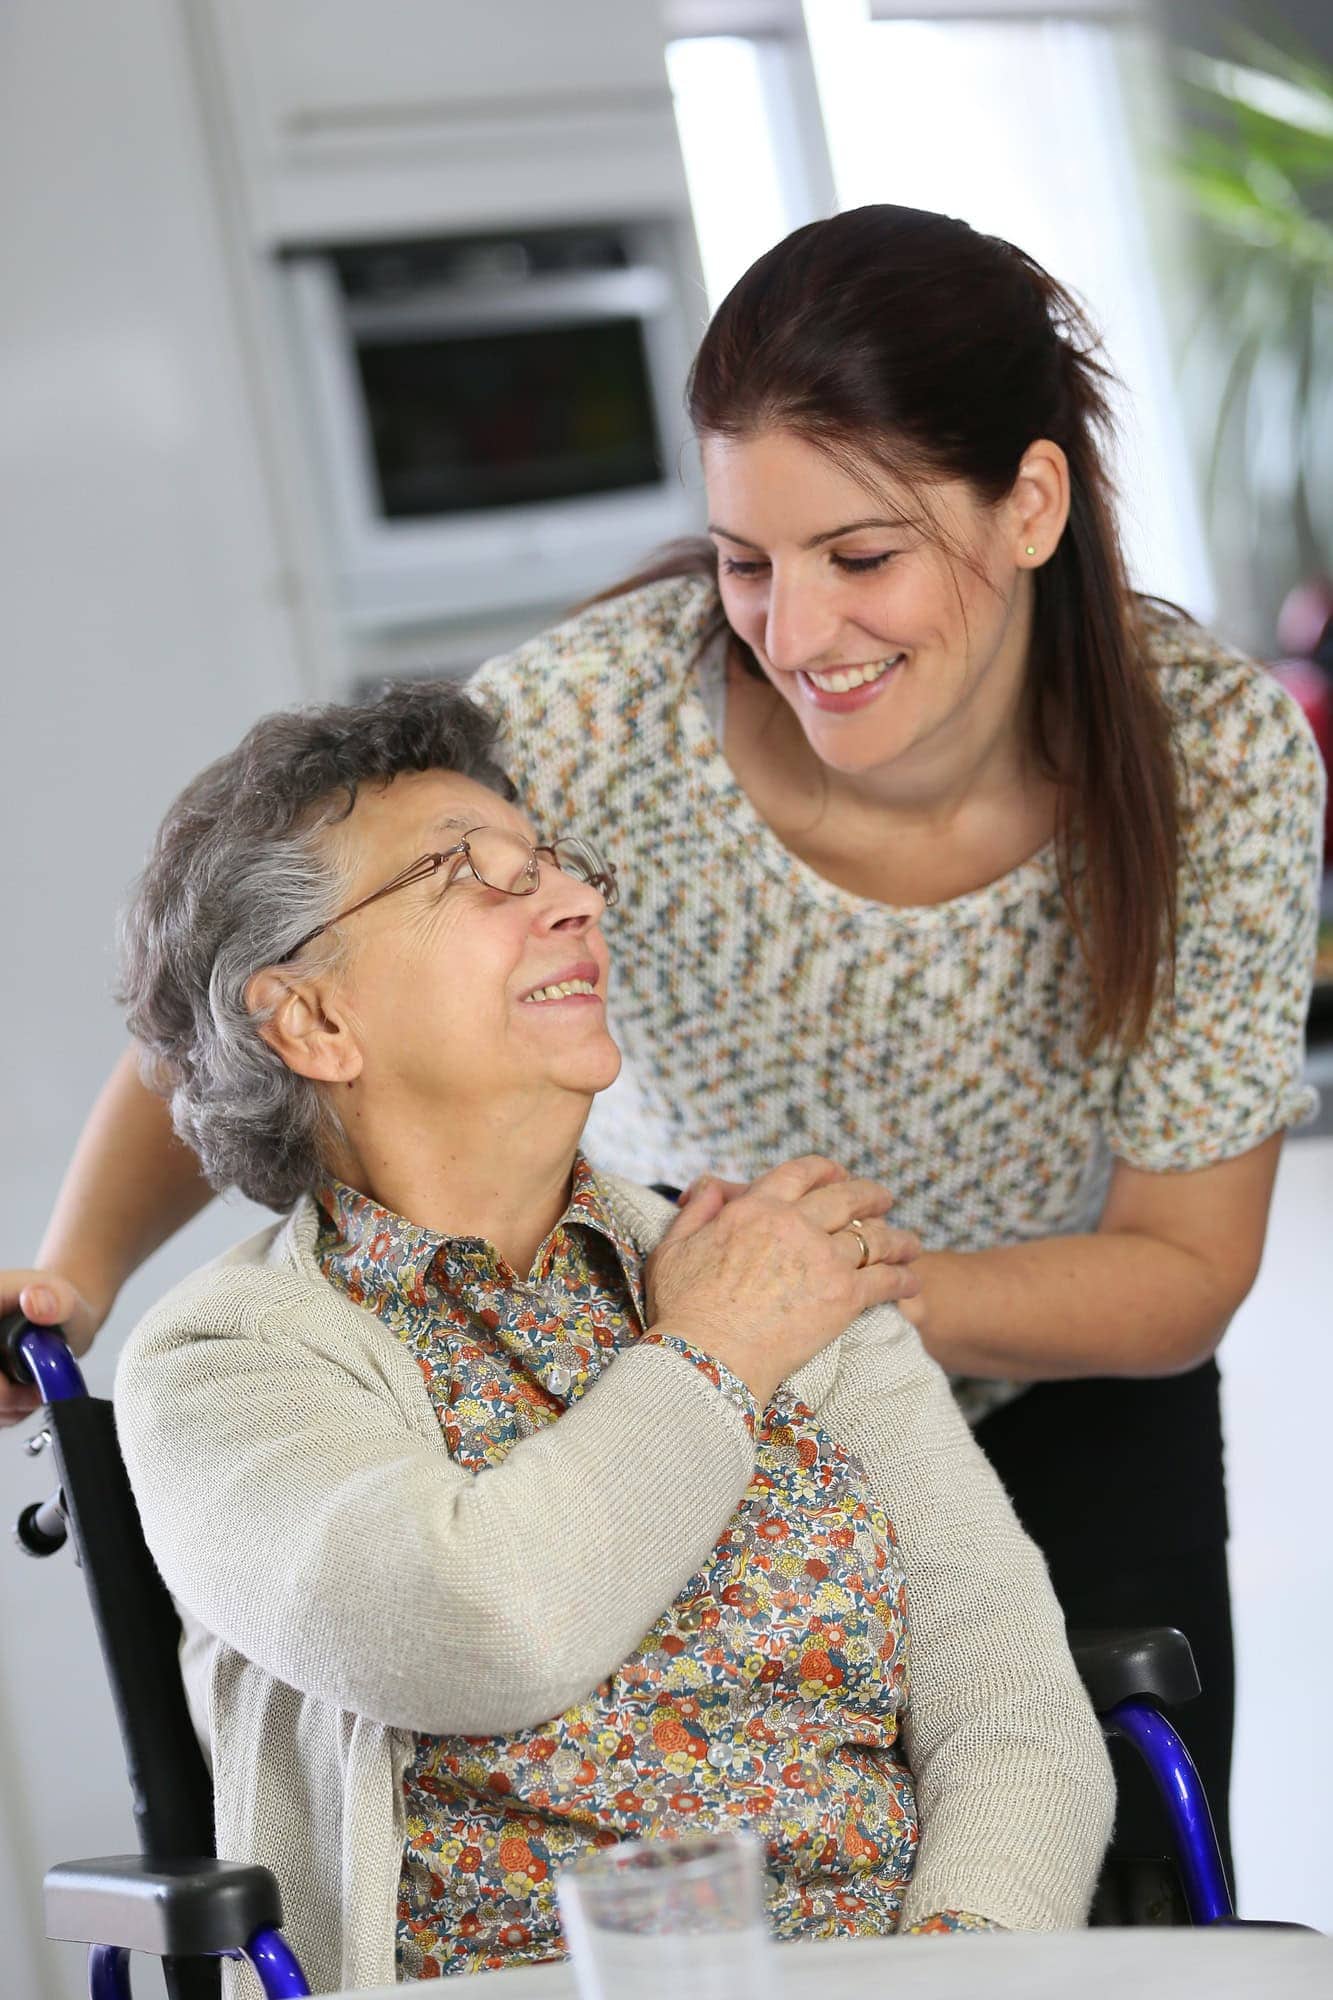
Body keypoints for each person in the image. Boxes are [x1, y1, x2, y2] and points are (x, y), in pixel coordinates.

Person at [4, 205, 1324, 1889]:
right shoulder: (597, 716)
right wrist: (73, 1277)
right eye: (744, 561)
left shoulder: (1211, 756)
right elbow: (261, 966)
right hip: (663, 1346)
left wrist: (813, 1304)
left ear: (1032, 504)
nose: (793, 629)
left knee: (1083, 1829)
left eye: (862, 557)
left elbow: (1179, 1269)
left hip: (1013, 1362)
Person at [107, 684, 1110, 1992]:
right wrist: (710, 1358)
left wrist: (957, 1972)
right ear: (312, 1021)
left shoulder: (781, 1278)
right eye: (469, 880)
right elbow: (480, 1635)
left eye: (558, 871)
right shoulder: (221, 1368)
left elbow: (1020, 1722)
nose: (574, 905)